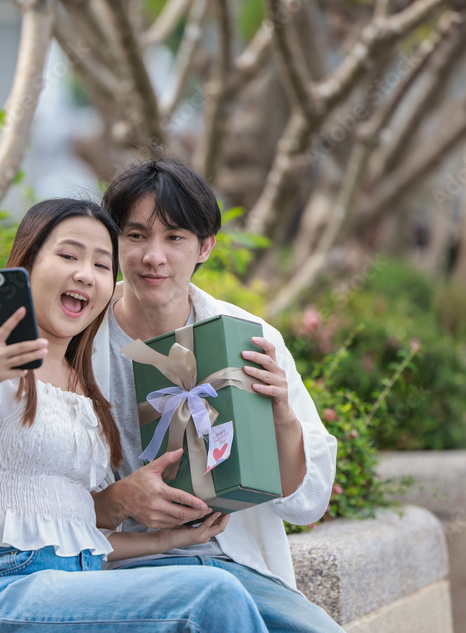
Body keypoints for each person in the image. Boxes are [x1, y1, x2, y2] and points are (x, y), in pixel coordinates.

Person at [0, 198, 270, 632]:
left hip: (73, 589)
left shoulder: (84, 388)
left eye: (102, 265)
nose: (86, 274)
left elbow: (74, 535)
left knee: (216, 590)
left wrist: (164, 540)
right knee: (213, 596)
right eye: (69, 256)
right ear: (27, 264)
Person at [91, 159, 344, 632]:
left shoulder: (249, 337)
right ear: (114, 240)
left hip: (236, 561)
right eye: (136, 235)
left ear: (205, 246)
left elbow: (306, 503)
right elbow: (47, 505)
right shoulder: (80, 342)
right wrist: (120, 500)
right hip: (123, 571)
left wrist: (280, 416)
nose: (153, 257)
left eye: (174, 237)